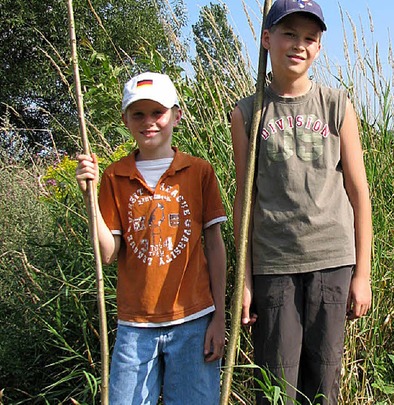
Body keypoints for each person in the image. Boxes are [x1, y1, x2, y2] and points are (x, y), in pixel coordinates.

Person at [230, 1, 373, 404]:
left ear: (319, 47)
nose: (299, 45)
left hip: (332, 258)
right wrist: (243, 281)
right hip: (274, 264)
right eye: (289, 34)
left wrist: (362, 274)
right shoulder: (247, 113)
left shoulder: (337, 105)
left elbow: (359, 193)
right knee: (275, 385)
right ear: (266, 38)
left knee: (324, 385)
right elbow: (245, 196)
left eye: (310, 38)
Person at [75, 72, 227, 404]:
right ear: (125, 119)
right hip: (135, 326)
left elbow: (215, 246)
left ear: (176, 115)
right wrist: (89, 198)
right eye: (138, 114)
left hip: (194, 320)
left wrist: (219, 315)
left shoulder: (199, 171)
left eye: (157, 113)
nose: (149, 123)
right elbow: (108, 253)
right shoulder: (115, 176)